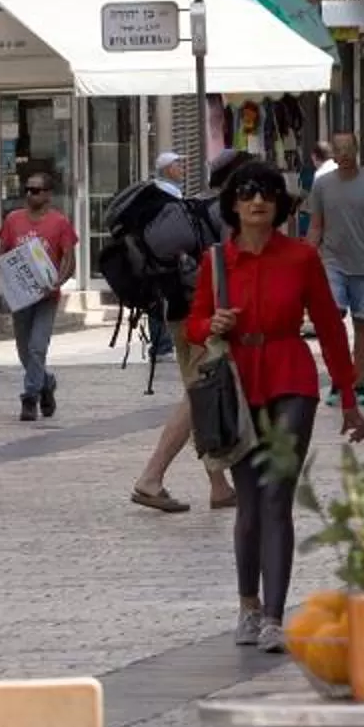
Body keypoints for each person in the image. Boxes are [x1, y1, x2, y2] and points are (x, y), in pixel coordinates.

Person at [181, 158, 364, 651]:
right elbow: (193, 323)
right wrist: (209, 326)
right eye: (246, 193)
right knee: (249, 502)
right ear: (233, 206)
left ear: (279, 203)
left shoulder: (301, 258)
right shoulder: (216, 262)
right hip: (239, 381)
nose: (257, 200)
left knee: (276, 495)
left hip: (291, 377)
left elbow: (329, 326)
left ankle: (274, 617)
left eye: (265, 192)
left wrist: (348, 396)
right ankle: (248, 605)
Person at [130, 153, 237, 515]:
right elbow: (229, 271)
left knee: (200, 394)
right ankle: (150, 477)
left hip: (181, 311)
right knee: (198, 396)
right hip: (201, 317)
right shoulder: (225, 213)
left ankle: (219, 487)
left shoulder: (196, 205)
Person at [308, 131, 364, 406]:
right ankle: (338, 379)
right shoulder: (322, 185)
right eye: (339, 149)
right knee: (333, 320)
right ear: (332, 153)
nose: (345, 154)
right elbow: (315, 226)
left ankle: (358, 384)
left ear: (358, 149)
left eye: (349, 149)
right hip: (333, 263)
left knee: (363, 325)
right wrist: (303, 257)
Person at [0, 166, 78, 422]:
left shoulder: (59, 222)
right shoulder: (13, 220)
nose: (30, 195)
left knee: (37, 347)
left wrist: (59, 281)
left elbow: (68, 258)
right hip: (21, 296)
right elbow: (4, 252)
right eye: (27, 190)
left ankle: (30, 398)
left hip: (45, 297)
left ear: (48, 194)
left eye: (36, 190)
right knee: (24, 351)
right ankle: (46, 383)